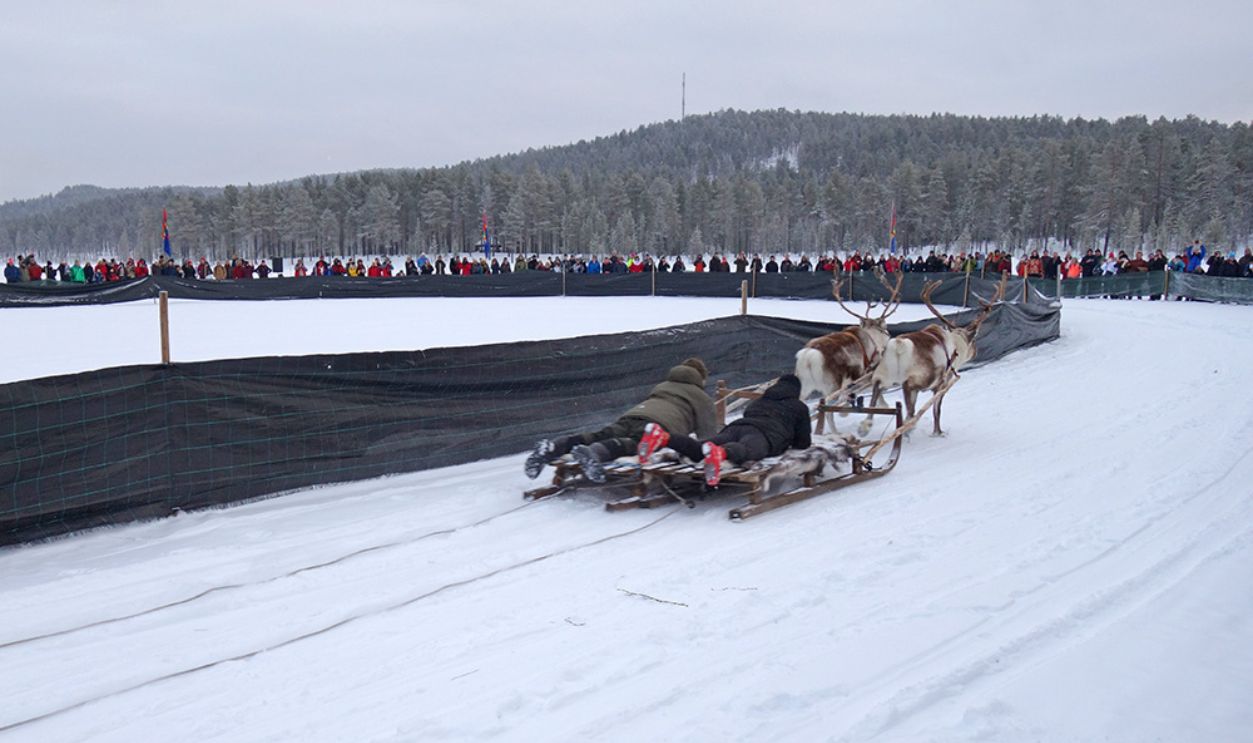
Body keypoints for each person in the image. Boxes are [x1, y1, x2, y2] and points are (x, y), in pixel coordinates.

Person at [524, 357, 716, 482]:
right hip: (659, 426)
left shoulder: (662, 386)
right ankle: (594, 454)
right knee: (633, 443)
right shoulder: (701, 397)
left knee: (602, 433)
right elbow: (708, 436)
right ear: (701, 378)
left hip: (634, 414)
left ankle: (554, 446)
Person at [638, 373, 811, 486]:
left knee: (700, 448)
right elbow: (803, 443)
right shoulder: (798, 407)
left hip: (735, 427)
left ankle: (664, 437)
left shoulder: (759, 402)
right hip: (762, 434)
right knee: (748, 450)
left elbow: (748, 414)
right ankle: (721, 454)